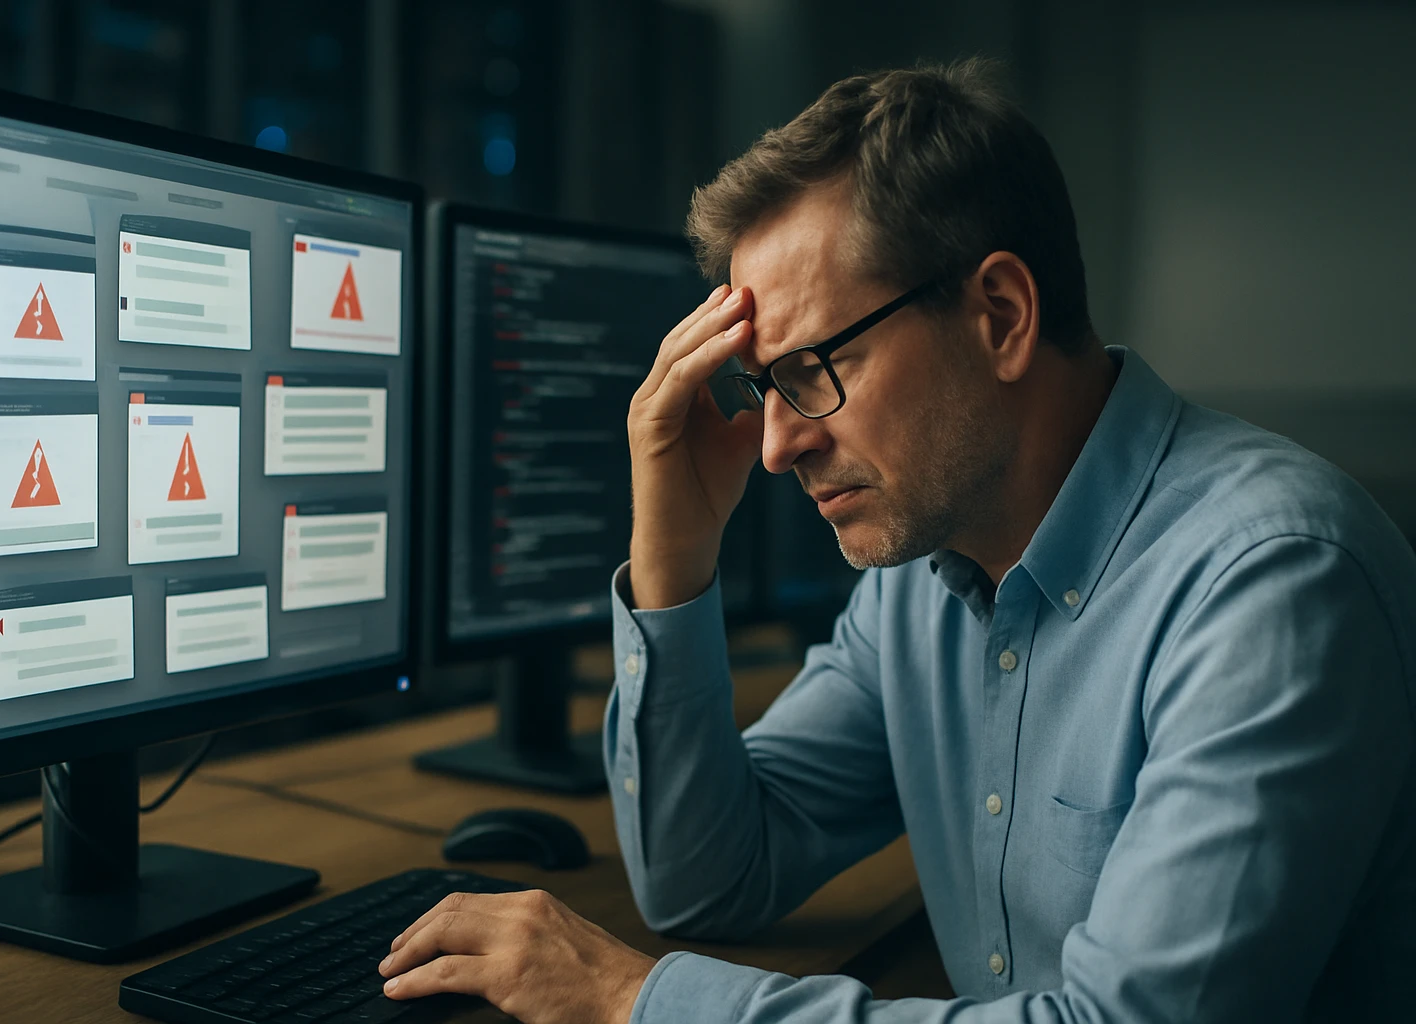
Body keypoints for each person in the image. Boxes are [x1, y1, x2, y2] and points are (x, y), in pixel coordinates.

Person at [377, 58, 1416, 1022]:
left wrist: (636, 999)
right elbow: (711, 876)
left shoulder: (1273, 586)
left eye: (814, 367)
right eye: (763, 385)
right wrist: (674, 554)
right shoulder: (926, 578)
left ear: (1001, 315)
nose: (777, 446)